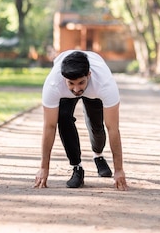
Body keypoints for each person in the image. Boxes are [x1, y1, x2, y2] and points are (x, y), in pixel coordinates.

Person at [33, 50, 128, 190]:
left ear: (89, 75)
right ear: (63, 77)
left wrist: (119, 170)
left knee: (96, 124)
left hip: (94, 90)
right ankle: (77, 167)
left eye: (81, 83)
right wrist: (43, 168)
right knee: (63, 118)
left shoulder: (105, 84)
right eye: (71, 83)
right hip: (65, 89)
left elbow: (113, 128)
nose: (76, 89)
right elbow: (49, 126)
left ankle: (98, 155)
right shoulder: (54, 84)